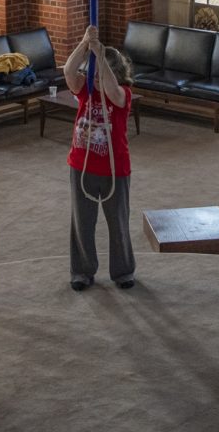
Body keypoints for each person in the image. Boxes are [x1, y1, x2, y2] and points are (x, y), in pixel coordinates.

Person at [64, 24, 136, 290]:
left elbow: (114, 93)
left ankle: (123, 271)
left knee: (117, 222)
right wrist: (85, 45)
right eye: (92, 73)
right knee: (82, 221)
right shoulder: (85, 91)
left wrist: (101, 55)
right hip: (82, 165)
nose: (93, 78)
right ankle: (82, 271)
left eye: (99, 73)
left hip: (115, 168)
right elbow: (69, 72)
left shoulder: (123, 95)